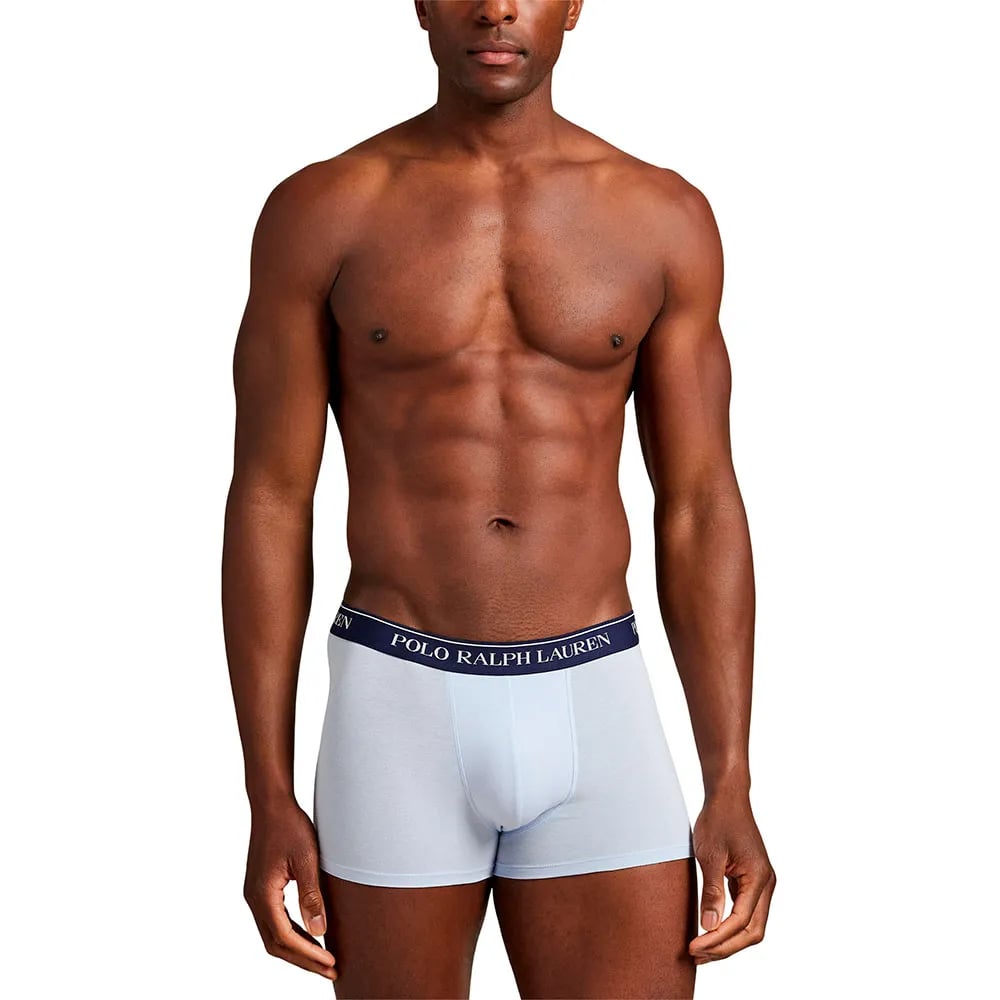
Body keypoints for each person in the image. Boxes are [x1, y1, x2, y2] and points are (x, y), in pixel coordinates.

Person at [221, 1, 775, 996]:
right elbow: (270, 496)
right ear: (421, 4)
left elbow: (698, 499)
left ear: (574, 6)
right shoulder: (325, 209)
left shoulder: (661, 215)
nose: (496, 7)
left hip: (596, 691)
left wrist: (729, 774)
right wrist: (267, 789)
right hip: (397, 697)